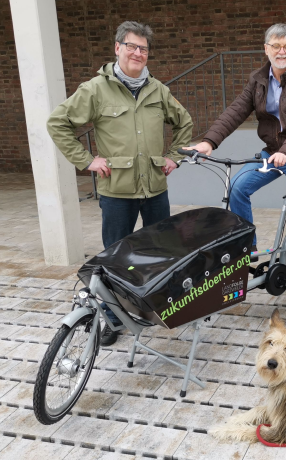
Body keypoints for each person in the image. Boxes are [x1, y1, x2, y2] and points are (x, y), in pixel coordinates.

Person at [47, 21, 193, 345]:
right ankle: (113, 320)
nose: (138, 53)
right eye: (131, 46)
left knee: (161, 254)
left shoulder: (157, 90)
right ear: (117, 48)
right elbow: (57, 122)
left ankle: (156, 308)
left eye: (143, 48)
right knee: (115, 260)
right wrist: (86, 161)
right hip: (117, 193)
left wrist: (173, 156)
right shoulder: (95, 90)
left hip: (155, 189)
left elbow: (184, 122)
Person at [188, 23, 286, 293]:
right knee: (238, 188)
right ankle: (247, 249)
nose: (281, 51)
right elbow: (236, 110)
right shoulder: (258, 79)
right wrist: (209, 141)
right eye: (276, 45)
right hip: (271, 154)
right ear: (266, 49)